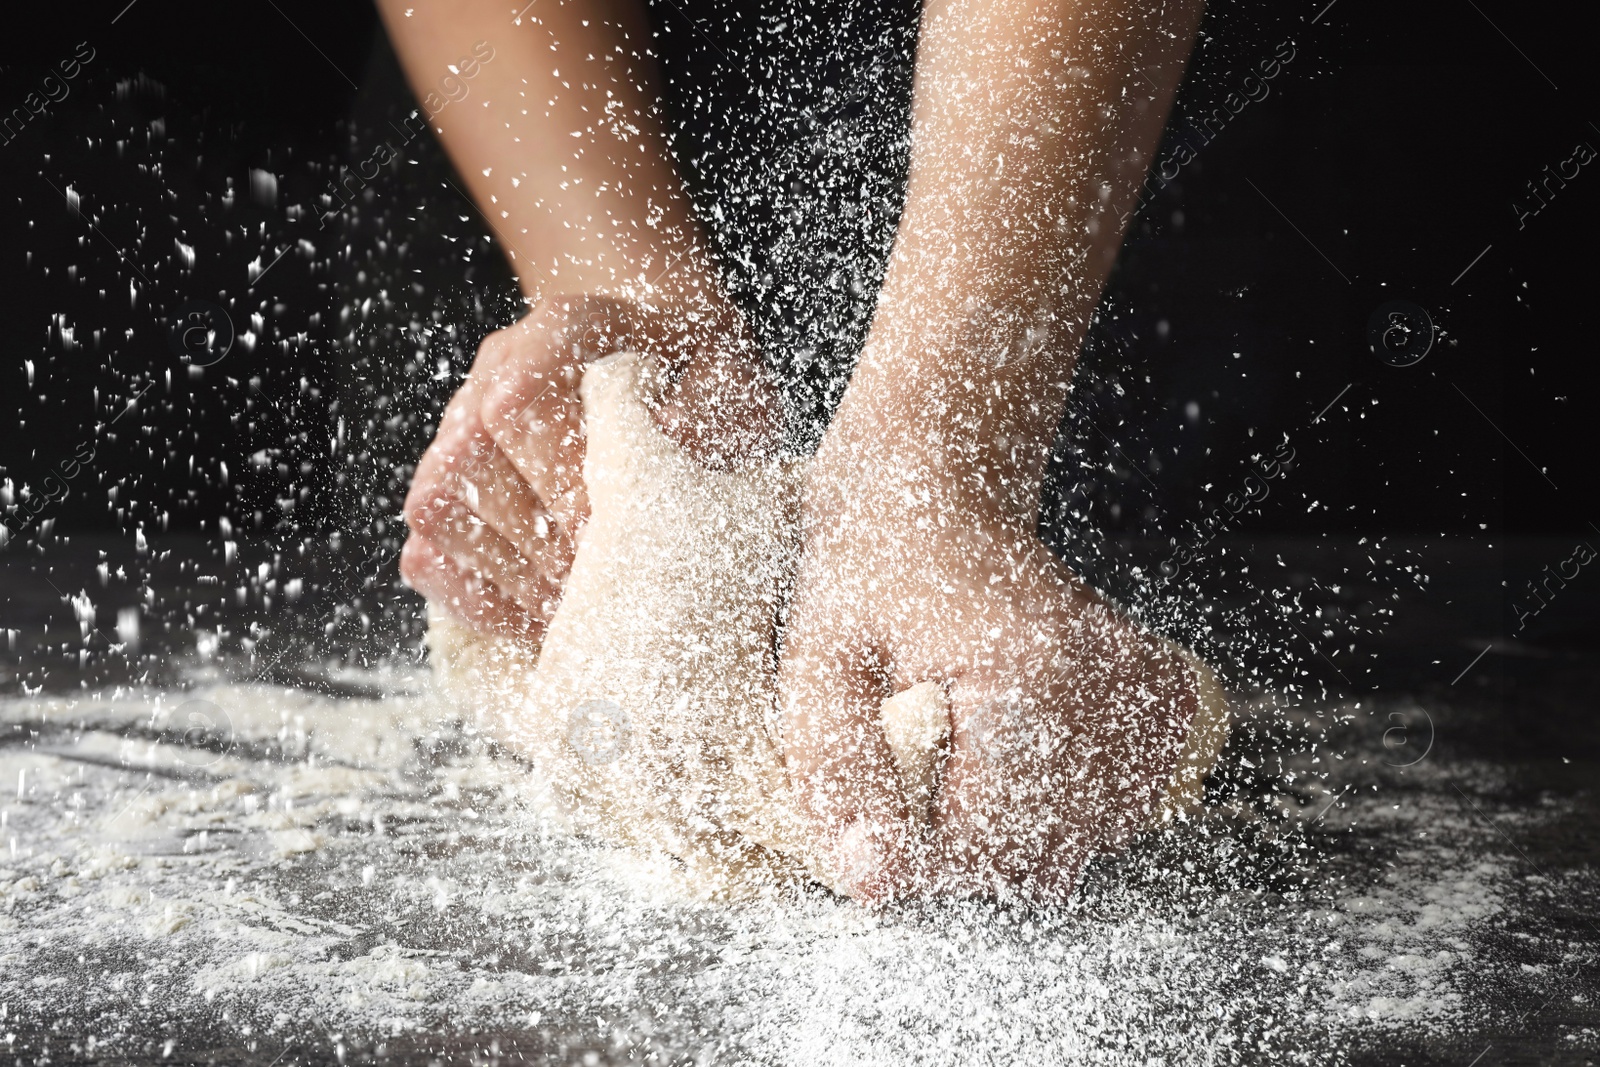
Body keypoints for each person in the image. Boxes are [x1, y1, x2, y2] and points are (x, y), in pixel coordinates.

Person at [381, 0, 1207, 902]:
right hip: (545, 98)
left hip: (1098, 124)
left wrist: (940, 448)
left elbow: (931, 465)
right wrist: (625, 308)